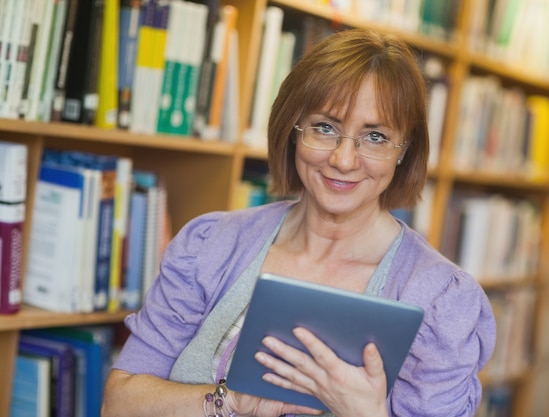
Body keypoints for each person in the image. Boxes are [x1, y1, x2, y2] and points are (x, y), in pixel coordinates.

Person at [102, 28, 496, 417]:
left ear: (403, 151)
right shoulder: (211, 245)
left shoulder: (440, 301)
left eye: (374, 137)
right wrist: (232, 402)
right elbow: (119, 404)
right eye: (325, 128)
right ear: (292, 130)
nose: (343, 160)